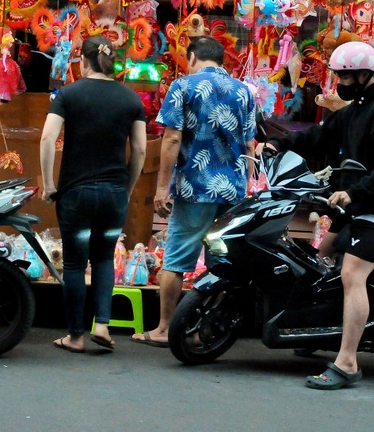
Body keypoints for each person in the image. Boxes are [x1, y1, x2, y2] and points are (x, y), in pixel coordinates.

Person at [264, 41, 374, 390]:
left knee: (351, 274)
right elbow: (319, 136)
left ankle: (347, 361)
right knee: (321, 256)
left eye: (345, 77)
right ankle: (319, 331)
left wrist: (354, 191)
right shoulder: (357, 109)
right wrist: (278, 143)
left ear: (364, 76)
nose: (339, 84)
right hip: (359, 209)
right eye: (338, 77)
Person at [133, 36, 255, 348]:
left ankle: (164, 328)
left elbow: (172, 139)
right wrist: (248, 185)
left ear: (191, 57)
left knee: (176, 260)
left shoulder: (184, 87)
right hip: (233, 193)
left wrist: (163, 188)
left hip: (195, 189)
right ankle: (207, 329)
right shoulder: (244, 91)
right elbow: (251, 144)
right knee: (223, 264)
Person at [40, 35, 148, 353]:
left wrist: (49, 185)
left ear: (83, 61)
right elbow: (140, 148)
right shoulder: (131, 99)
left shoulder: (68, 95)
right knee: (103, 257)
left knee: (74, 263)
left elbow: (47, 139)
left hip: (75, 194)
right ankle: (102, 324)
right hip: (114, 194)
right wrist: (126, 188)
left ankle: (75, 335)